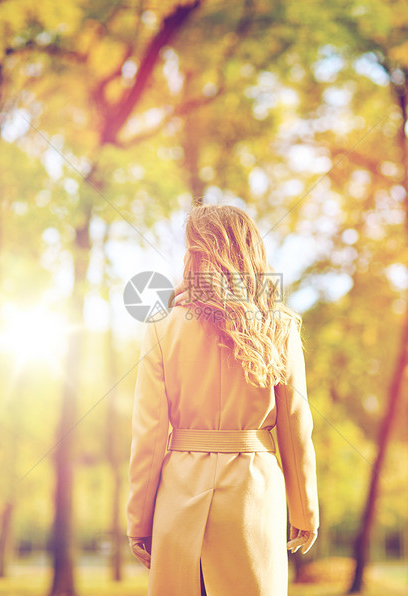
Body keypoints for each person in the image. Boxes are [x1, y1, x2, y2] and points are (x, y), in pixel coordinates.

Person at [127, 204, 319, 595]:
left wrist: (140, 521)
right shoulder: (278, 327)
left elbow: (148, 434)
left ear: (193, 254)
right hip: (252, 496)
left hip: (179, 497)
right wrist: (304, 510)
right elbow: (295, 430)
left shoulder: (162, 325)